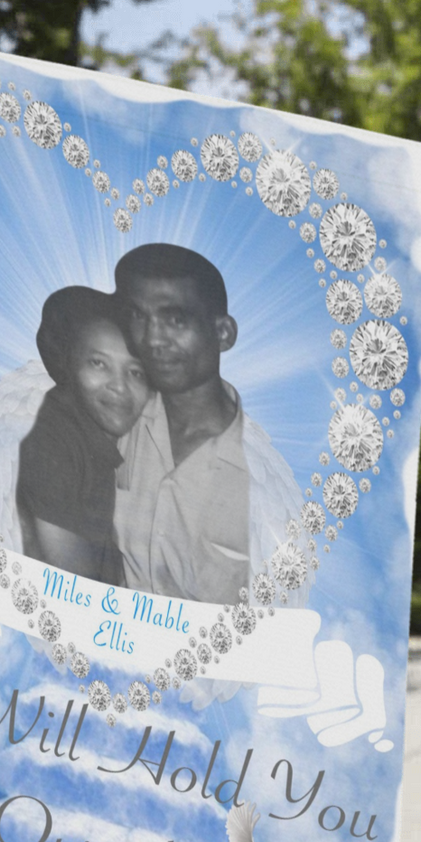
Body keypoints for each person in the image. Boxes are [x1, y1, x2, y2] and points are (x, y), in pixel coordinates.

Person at [111, 244, 301, 607]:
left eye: (176, 320)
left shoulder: (267, 477)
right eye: (137, 316)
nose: (152, 339)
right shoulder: (116, 423)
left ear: (224, 333)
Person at [0, 287, 149, 576]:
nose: (119, 386)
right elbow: (73, 587)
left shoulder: (97, 437)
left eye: (136, 372)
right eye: (98, 363)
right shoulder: (51, 438)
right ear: (68, 364)